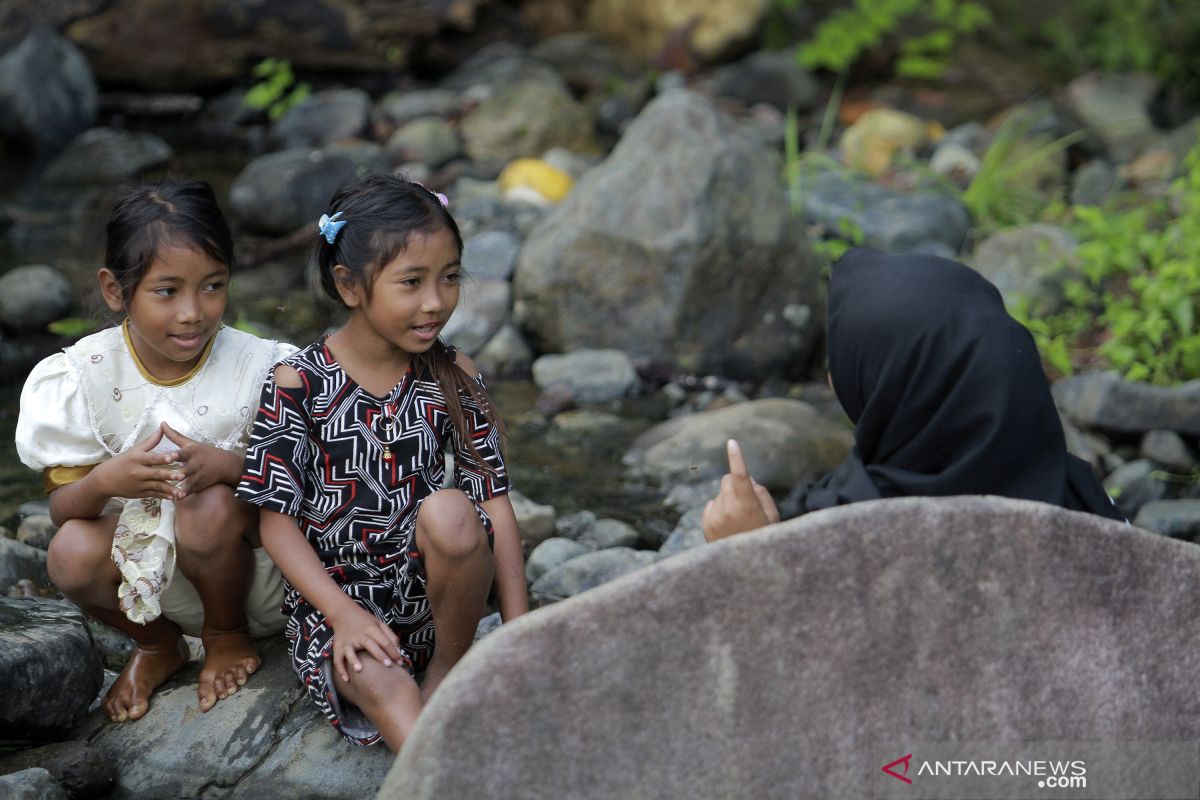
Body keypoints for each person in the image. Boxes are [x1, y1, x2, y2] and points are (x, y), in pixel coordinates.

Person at [235, 174, 528, 751]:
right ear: (349, 286)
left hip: (435, 605)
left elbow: (496, 503)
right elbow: (275, 520)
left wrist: (523, 635)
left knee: (451, 509)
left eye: (449, 278)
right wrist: (342, 615)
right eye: (411, 282)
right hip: (339, 610)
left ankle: (448, 668)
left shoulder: (455, 375)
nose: (436, 302)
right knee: (391, 694)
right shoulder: (298, 383)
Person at [16, 179, 297, 721]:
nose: (193, 312)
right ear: (115, 291)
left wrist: (229, 467)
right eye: (167, 292)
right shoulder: (82, 377)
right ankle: (158, 644)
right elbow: (62, 511)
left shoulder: (261, 367)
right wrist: (104, 482)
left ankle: (226, 635)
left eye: (212, 286)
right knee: (68, 553)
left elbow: (307, 484)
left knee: (206, 505)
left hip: (261, 579)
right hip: (153, 588)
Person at [703, 247, 1123, 541]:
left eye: (850, 360)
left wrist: (748, 550)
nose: (834, 377)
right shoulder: (1083, 498)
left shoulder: (851, 532)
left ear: (898, 389)